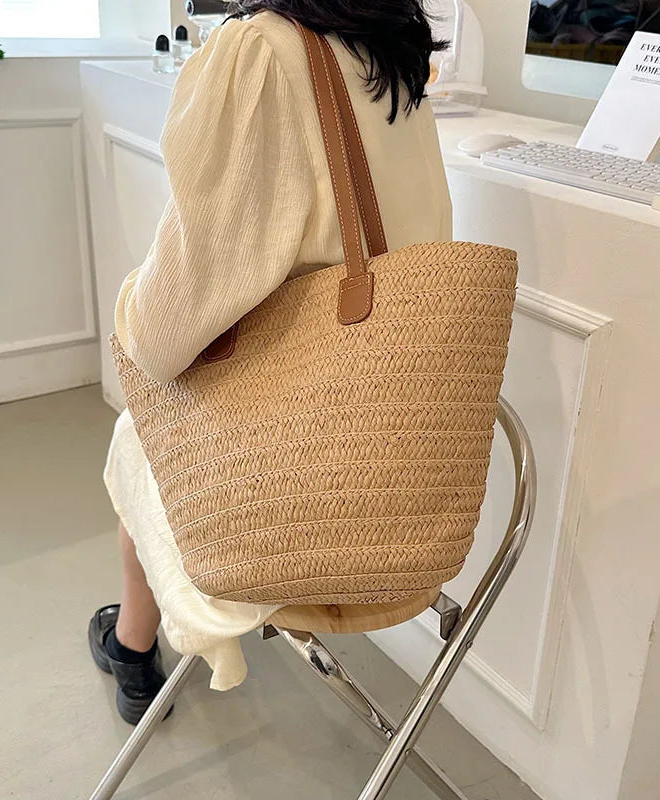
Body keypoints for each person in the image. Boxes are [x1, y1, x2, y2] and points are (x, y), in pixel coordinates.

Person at [88, 0, 453, 724]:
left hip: (294, 490)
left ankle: (133, 646)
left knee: (144, 427)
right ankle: (136, 641)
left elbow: (166, 332)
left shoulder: (260, 53)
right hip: (408, 475)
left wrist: (133, 313)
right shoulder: (392, 51)